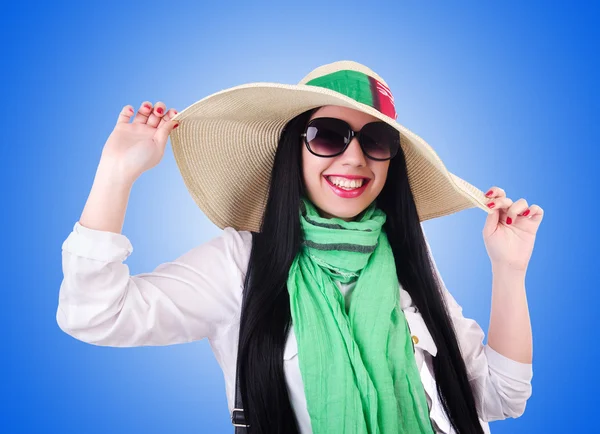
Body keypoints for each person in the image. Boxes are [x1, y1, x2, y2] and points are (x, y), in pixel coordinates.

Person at [56, 60, 542, 434]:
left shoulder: (407, 263)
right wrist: (116, 171)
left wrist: (509, 269)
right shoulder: (240, 265)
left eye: (376, 140)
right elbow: (95, 313)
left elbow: (501, 396)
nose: (354, 158)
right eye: (327, 136)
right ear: (295, 149)